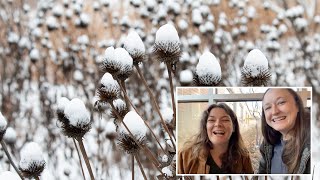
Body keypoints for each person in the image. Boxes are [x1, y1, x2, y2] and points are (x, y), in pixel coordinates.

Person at [178, 103, 254, 174]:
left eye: (225, 120)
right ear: (205, 126)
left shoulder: (243, 156)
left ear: (233, 127)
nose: (218, 124)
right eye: (211, 120)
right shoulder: (185, 156)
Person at [259, 88, 310, 174]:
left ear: (297, 106)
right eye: (268, 107)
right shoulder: (267, 145)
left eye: (281, 102)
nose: (274, 111)